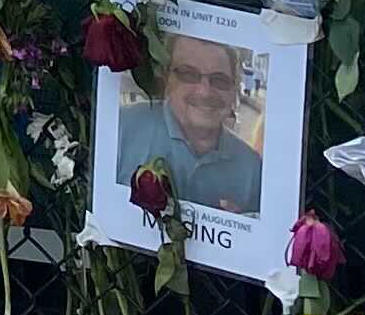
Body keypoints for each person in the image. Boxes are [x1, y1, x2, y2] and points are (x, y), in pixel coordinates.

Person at [113, 31, 266, 213]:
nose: (205, 92)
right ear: (167, 79)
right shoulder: (121, 128)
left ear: (234, 90)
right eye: (189, 74)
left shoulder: (253, 168)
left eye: (219, 80)